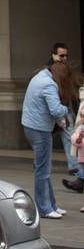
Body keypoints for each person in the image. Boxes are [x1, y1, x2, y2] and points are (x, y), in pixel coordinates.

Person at [21, 61, 70, 219]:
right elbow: (56, 110)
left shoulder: (40, 76)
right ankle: (44, 208)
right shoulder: (49, 85)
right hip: (40, 129)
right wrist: (67, 109)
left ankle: (52, 205)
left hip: (30, 126)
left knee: (43, 168)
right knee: (43, 170)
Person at [45, 44, 78, 172]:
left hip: (62, 108)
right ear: (53, 55)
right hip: (52, 109)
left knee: (69, 135)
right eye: (61, 55)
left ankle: (74, 166)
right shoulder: (47, 71)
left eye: (66, 55)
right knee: (45, 139)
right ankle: (41, 164)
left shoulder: (65, 69)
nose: (64, 58)